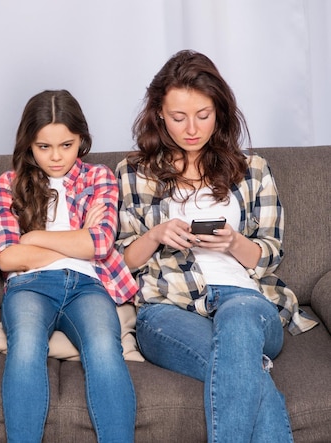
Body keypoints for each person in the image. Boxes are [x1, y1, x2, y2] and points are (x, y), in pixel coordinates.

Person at [116, 50, 318, 443]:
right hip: (168, 309)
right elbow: (122, 261)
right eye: (178, 117)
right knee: (243, 367)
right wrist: (155, 235)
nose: (191, 128)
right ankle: (245, 362)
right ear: (159, 114)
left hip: (247, 302)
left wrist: (235, 242)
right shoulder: (133, 171)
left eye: (203, 115)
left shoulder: (253, 169)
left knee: (240, 320)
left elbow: (271, 252)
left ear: (220, 111)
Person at [0, 89, 138, 442]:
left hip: (88, 286)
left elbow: (99, 244)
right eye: (44, 147)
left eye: (66, 145)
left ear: (81, 141)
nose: (56, 157)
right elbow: (6, 257)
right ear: (28, 144)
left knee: (104, 346)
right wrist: (77, 238)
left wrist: (32, 238)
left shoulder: (99, 177)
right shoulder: (9, 184)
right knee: (26, 345)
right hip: (30, 286)